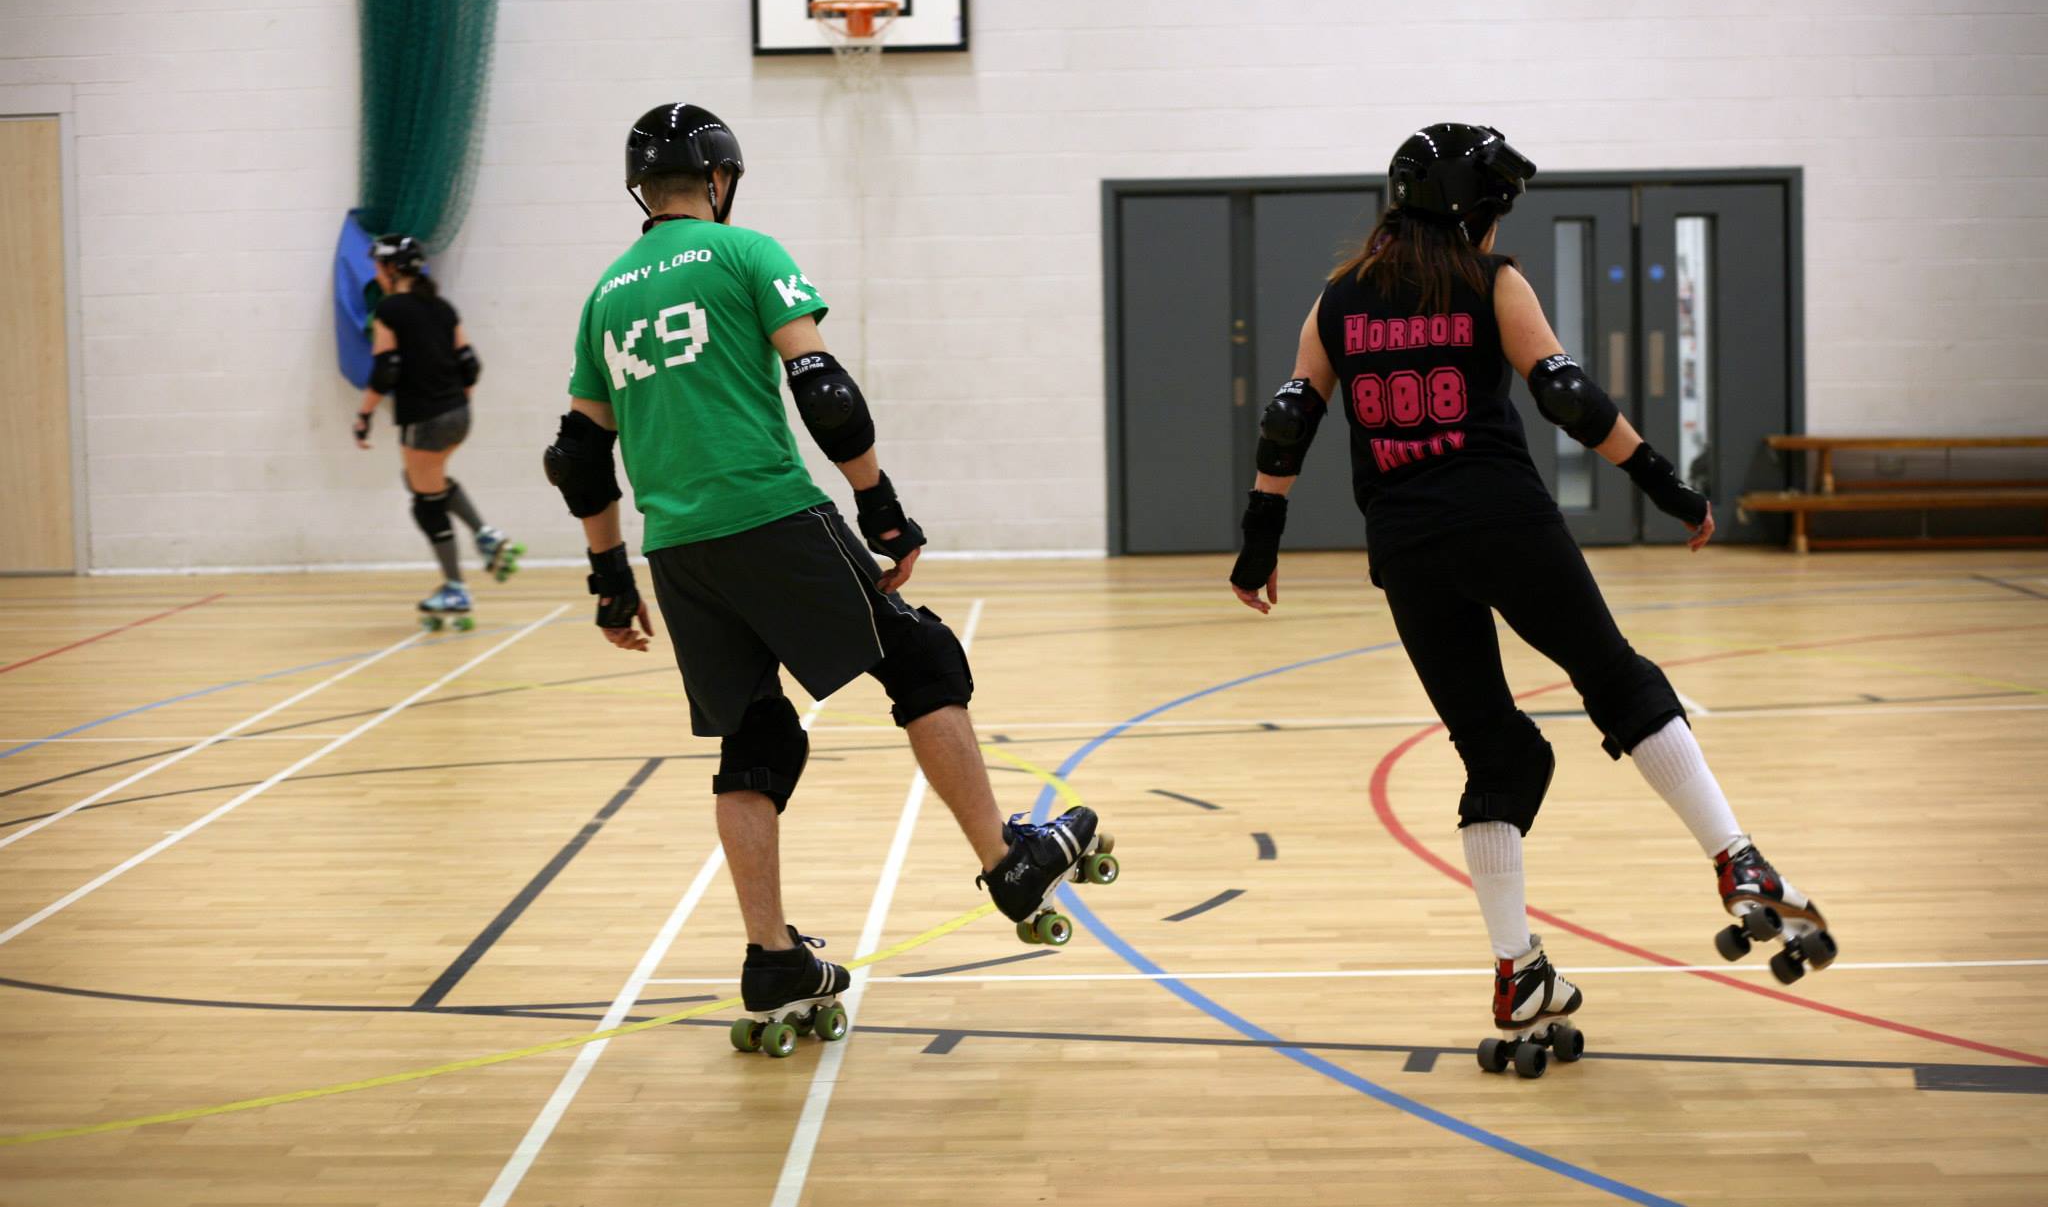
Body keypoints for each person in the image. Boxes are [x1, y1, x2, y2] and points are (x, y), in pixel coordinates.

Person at [1228, 123, 1835, 1079]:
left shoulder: (1338, 298)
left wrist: (1260, 541)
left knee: (1498, 750)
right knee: (1617, 680)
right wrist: (1667, 483)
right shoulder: (1492, 281)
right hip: (1504, 520)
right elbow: (1567, 395)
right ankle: (1738, 860)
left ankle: (1518, 968)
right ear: (1474, 209)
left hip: (1408, 549)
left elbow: (1289, 417)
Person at [544, 103, 1113, 1056]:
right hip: (771, 514)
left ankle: (773, 957)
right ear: (720, 180)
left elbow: (579, 454)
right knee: (923, 659)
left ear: (642, 189)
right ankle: (1006, 862)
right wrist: (880, 507)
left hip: (678, 548)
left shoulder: (605, 294)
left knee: (754, 738)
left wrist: (609, 575)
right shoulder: (743, 252)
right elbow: (822, 386)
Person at [353, 234, 521, 627]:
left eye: (378, 266)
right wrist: (452, 401)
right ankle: (485, 535)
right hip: (459, 415)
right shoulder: (442, 308)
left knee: (426, 503)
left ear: (392, 269)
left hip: (424, 418)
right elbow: (470, 367)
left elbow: (385, 371)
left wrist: (363, 416)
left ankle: (456, 588)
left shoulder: (389, 310)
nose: (376, 274)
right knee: (429, 482)